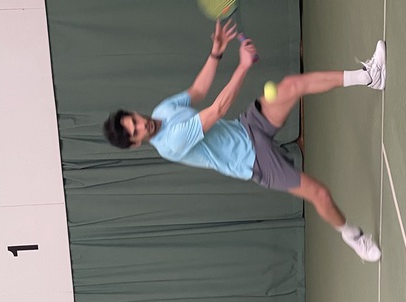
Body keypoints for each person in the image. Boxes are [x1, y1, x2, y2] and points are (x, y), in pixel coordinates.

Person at [103, 21, 387, 263]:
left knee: (291, 85)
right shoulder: (170, 144)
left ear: (134, 113)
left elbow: (197, 90)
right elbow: (216, 110)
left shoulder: (161, 111)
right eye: (136, 131)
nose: (142, 125)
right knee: (320, 194)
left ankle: (369, 76)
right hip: (252, 161)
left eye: (134, 120)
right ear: (137, 143)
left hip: (247, 127)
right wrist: (242, 66)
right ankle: (353, 236)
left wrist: (216, 53)